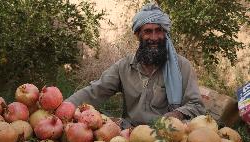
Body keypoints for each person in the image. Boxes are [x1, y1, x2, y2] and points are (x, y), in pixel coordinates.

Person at [65, 3, 205, 127]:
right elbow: (94, 91)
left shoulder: (182, 66)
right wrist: (64, 108)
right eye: (148, 31)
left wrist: (177, 114)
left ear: (165, 33)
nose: (154, 38)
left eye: (159, 30)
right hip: (129, 135)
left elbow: (197, 106)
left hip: (167, 136)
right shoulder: (124, 67)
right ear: (137, 34)